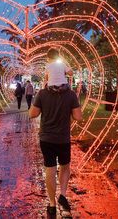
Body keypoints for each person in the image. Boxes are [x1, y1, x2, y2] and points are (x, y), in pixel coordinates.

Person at [29, 85, 82, 218]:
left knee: (50, 169)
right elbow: (78, 117)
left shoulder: (42, 93)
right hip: (63, 138)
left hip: (46, 138)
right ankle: (62, 195)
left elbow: (32, 114)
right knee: (65, 166)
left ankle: (52, 204)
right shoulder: (70, 94)